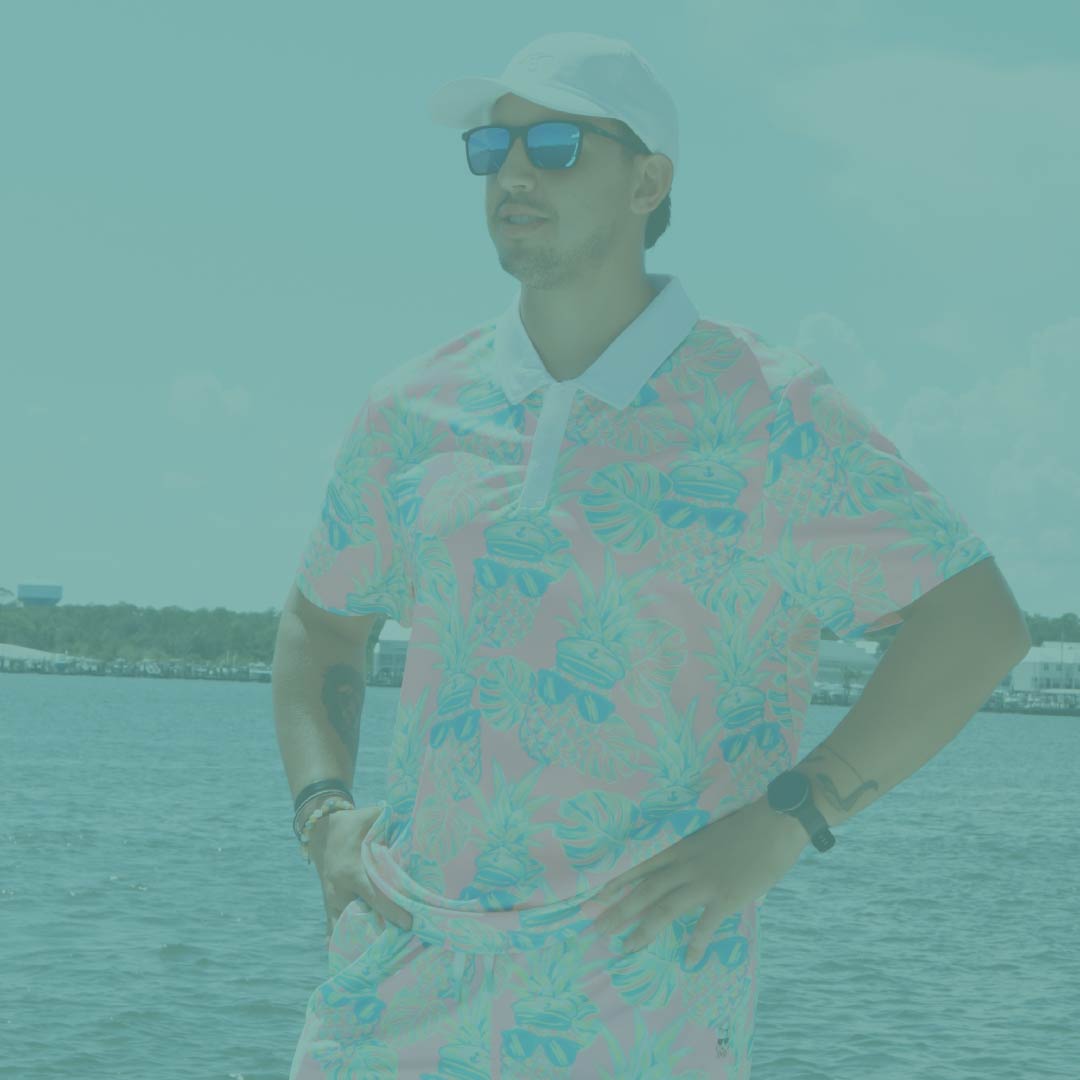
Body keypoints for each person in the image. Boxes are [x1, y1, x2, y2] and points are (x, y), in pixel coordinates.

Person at [277, 32, 996, 1079]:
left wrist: (791, 820)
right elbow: (320, 620)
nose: (514, 172)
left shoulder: (773, 412)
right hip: (398, 978)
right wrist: (324, 816)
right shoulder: (411, 412)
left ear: (648, 182)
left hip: (645, 1004)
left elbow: (974, 626)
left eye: (557, 145)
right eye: (491, 148)